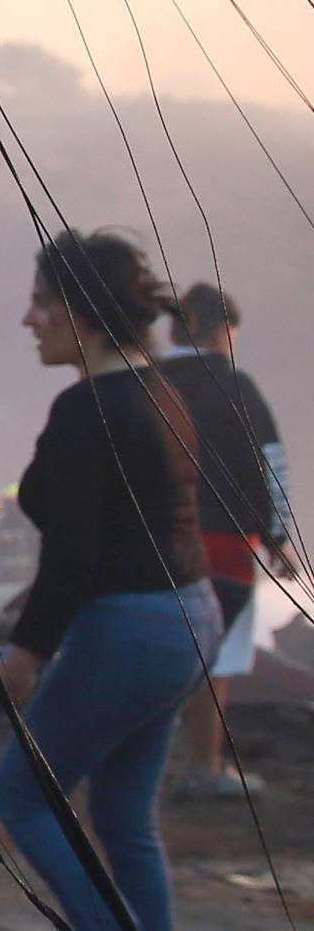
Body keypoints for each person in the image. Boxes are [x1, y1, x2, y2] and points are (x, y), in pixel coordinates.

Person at [0, 230, 220, 931]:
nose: (29, 319)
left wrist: (27, 653)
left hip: (130, 626)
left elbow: (75, 554)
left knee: (20, 796)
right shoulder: (161, 391)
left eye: (43, 303)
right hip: (188, 620)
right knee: (124, 816)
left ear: (85, 317)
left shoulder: (88, 408)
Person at [162, 284, 296, 799]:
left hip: (149, 542)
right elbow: (271, 466)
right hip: (224, 545)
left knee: (157, 650)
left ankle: (143, 765)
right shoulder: (236, 386)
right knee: (213, 660)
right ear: (221, 330)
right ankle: (203, 767)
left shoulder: (145, 382)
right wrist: (280, 537)